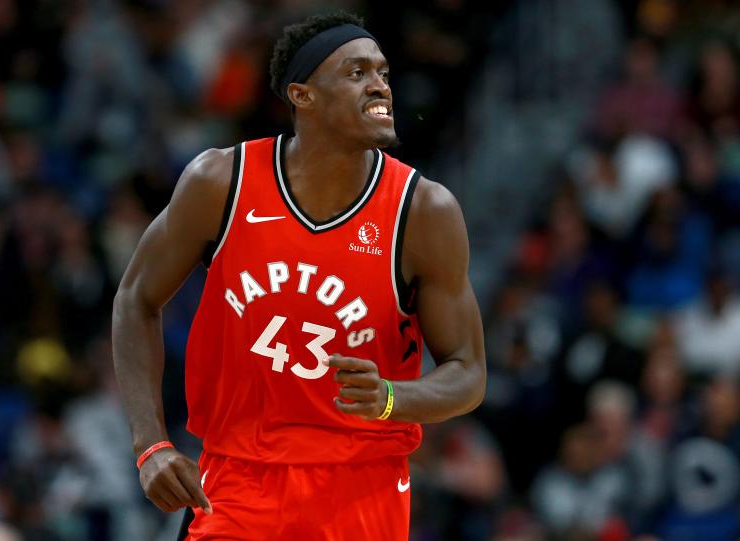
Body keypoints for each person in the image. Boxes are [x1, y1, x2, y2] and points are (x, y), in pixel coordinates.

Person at [112, 12, 486, 540]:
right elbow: (134, 298)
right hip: (238, 482)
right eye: (357, 72)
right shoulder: (222, 182)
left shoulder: (423, 211)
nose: (380, 84)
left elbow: (468, 372)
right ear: (303, 95)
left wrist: (391, 399)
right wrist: (150, 443)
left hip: (363, 489)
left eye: (383, 72)